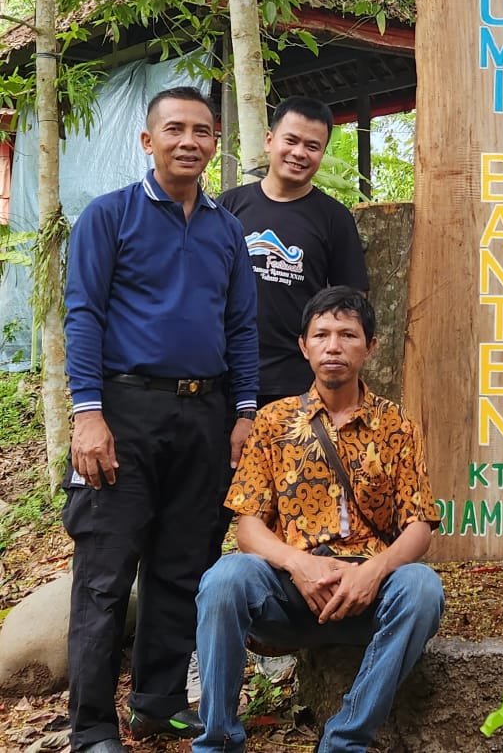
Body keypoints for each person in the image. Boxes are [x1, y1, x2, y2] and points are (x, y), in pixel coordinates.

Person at [63, 86, 259, 753]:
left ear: (214, 144)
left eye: (202, 131)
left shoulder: (225, 229)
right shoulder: (109, 217)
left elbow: (241, 325)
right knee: (106, 571)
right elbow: (83, 315)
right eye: (173, 129)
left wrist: (243, 412)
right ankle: (91, 728)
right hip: (123, 411)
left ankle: (159, 702)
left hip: (204, 414)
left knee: (184, 565)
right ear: (148, 141)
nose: (189, 141)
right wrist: (87, 413)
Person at [193, 287, 444, 753]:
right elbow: (248, 524)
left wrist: (374, 571)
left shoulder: (397, 426)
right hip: (290, 597)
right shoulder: (273, 422)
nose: (334, 346)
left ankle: (344, 741)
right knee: (224, 578)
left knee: (422, 588)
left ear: (369, 346)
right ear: (303, 346)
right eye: (322, 334)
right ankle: (218, 740)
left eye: (348, 335)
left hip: (366, 595)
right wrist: (296, 563)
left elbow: (419, 524)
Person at [219, 96, 369, 407]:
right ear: (269, 141)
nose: (299, 153)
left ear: (322, 153)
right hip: (223, 374)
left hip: (296, 381)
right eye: (291, 140)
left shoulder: (334, 218)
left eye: (312, 146)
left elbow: (351, 303)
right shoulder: (228, 207)